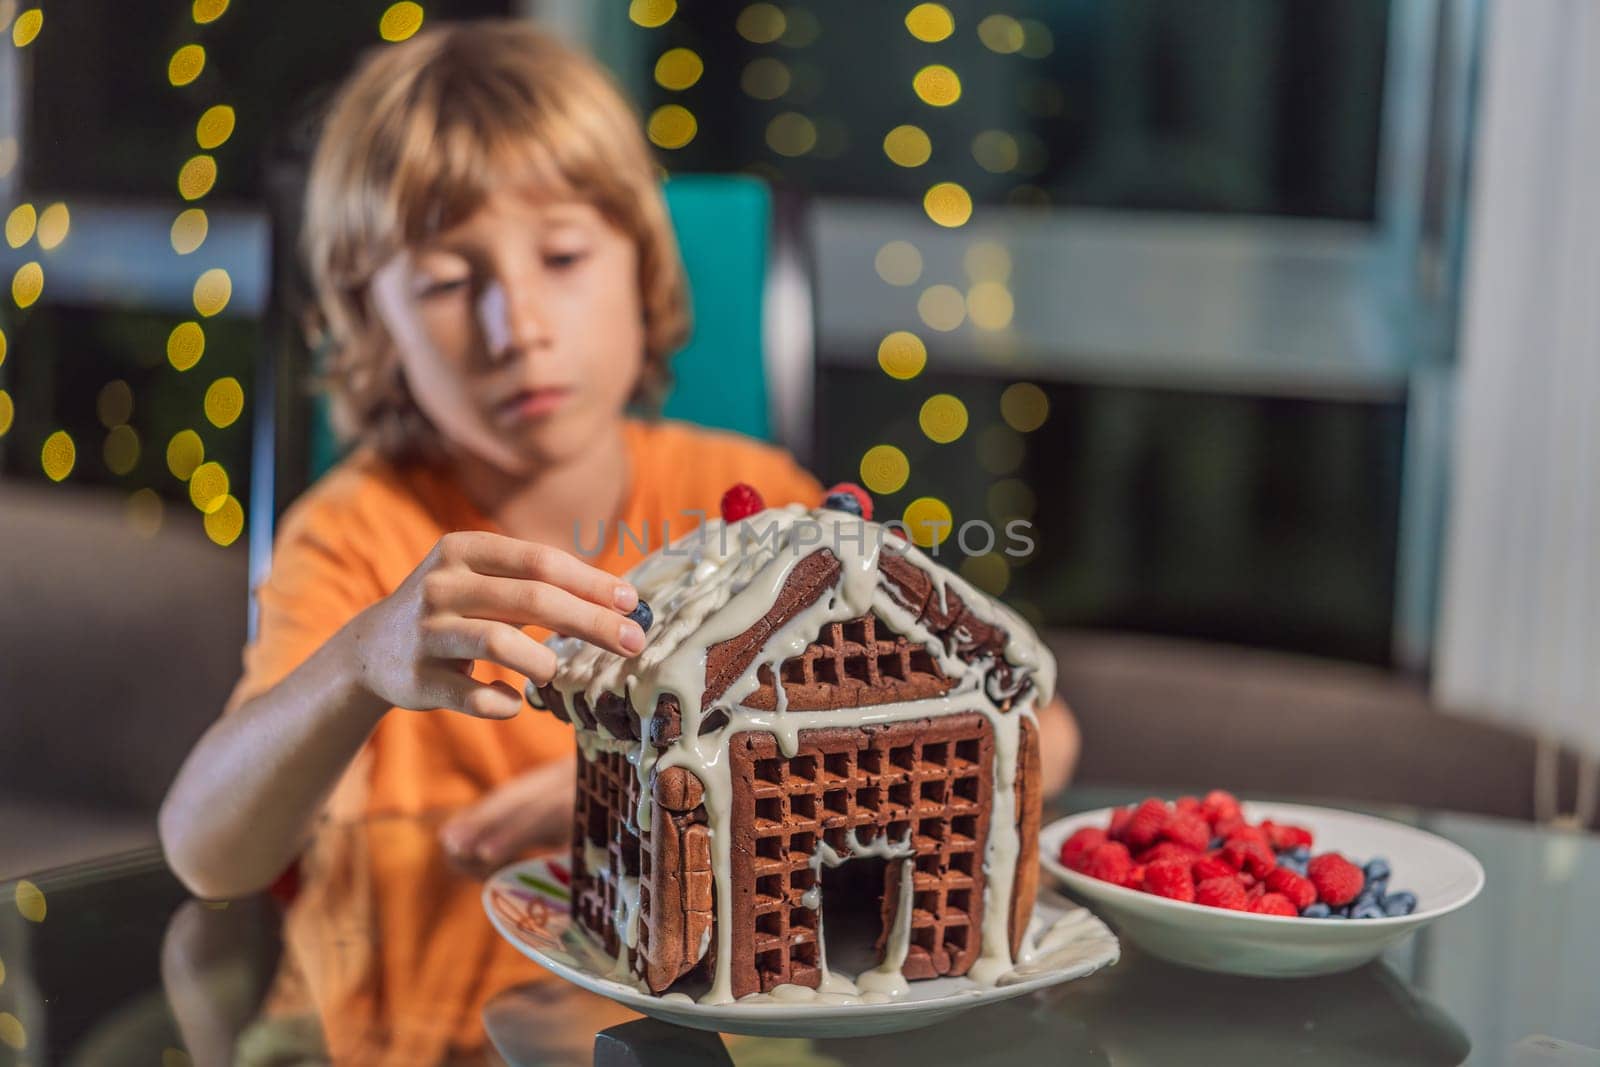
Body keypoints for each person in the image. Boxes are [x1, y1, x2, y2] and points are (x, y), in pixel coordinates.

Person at [159, 20, 1080, 905]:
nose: (518, 327)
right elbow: (209, 855)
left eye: (561, 256)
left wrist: (622, 784)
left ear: (642, 275)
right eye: (445, 282)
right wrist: (353, 663)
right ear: (374, 329)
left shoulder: (753, 509)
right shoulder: (355, 536)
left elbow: (1042, 729)